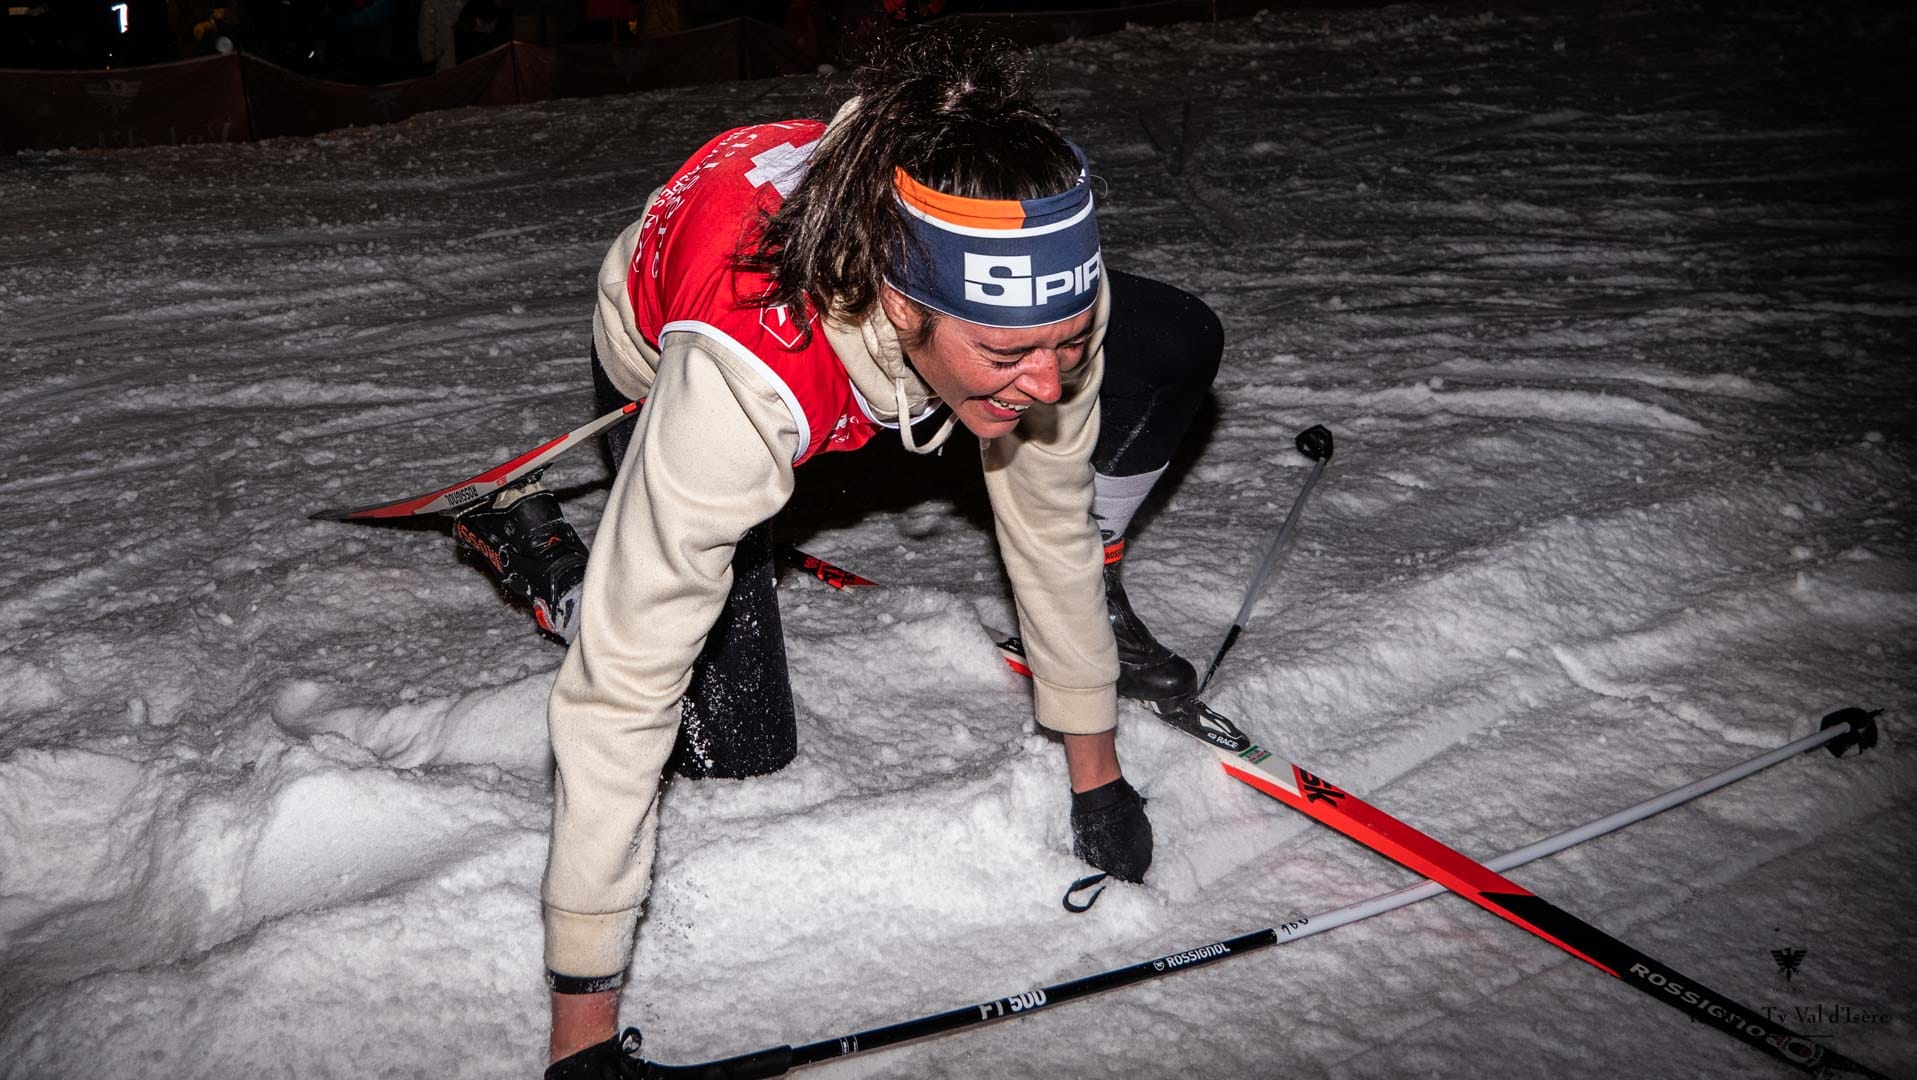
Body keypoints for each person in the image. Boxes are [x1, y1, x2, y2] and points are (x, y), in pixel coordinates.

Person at [446, 35, 1223, 1077]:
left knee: (1143, 349)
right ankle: (544, 556)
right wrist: (580, 1037)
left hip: (872, 350)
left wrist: (1097, 772)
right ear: (902, 305)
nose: (1050, 383)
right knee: (732, 737)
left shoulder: (1040, 287)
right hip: (680, 344)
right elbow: (622, 687)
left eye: (1069, 344)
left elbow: (1048, 523)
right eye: (1011, 354)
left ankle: (889, 422)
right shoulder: (735, 379)